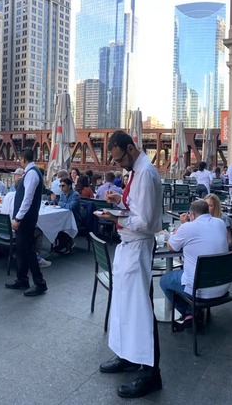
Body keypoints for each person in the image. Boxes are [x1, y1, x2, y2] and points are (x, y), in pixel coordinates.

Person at [95, 130, 163, 398]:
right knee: (124, 305)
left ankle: (150, 373)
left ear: (131, 149)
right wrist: (120, 199)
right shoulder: (137, 171)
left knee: (140, 310)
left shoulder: (145, 173)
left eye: (119, 158)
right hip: (129, 246)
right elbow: (138, 207)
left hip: (138, 246)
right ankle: (128, 355)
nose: (119, 164)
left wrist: (116, 219)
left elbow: (145, 221)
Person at [161, 199, 230, 331]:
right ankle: (193, 313)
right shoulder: (220, 223)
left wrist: (181, 226)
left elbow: (171, 247)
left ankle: (190, 314)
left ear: (192, 214)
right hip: (223, 285)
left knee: (165, 281)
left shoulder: (187, 227)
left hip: (200, 289)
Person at [5, 148, 48, 297]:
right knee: (21, 249)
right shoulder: (33, 173)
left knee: (28, 250)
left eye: (20, 160)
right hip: (26, 218)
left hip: (25, 219)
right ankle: (22, 279)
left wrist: (18, 218)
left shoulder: (31, 175)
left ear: (23, 159)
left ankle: (40, 283)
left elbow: (27, 199)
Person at [53, 178, 80, 255]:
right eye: (60, 186)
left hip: (74, 218)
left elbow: (70, 207)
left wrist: (60, 203)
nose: (61, 188)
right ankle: (62, 244)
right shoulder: (62, 194)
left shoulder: (75, 195)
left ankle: (67, 244)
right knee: (56, 224)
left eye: (63, 186)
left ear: (69, 186)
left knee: (62, 225)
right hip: (64, 218)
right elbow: (60, 205)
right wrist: (54, 200)